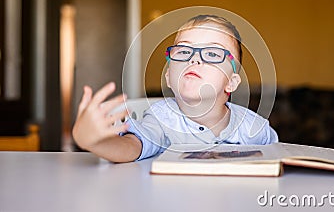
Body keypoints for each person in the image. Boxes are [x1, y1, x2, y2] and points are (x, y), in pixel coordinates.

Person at [72, 14, 278, 162]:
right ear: (169, 76)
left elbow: (280, 159)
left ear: (231, 83)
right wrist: (93, 142)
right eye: (183, 51)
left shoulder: (255, 129)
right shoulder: (162, 119)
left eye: (213, 54)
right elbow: (132, 148)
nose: (194, 59)